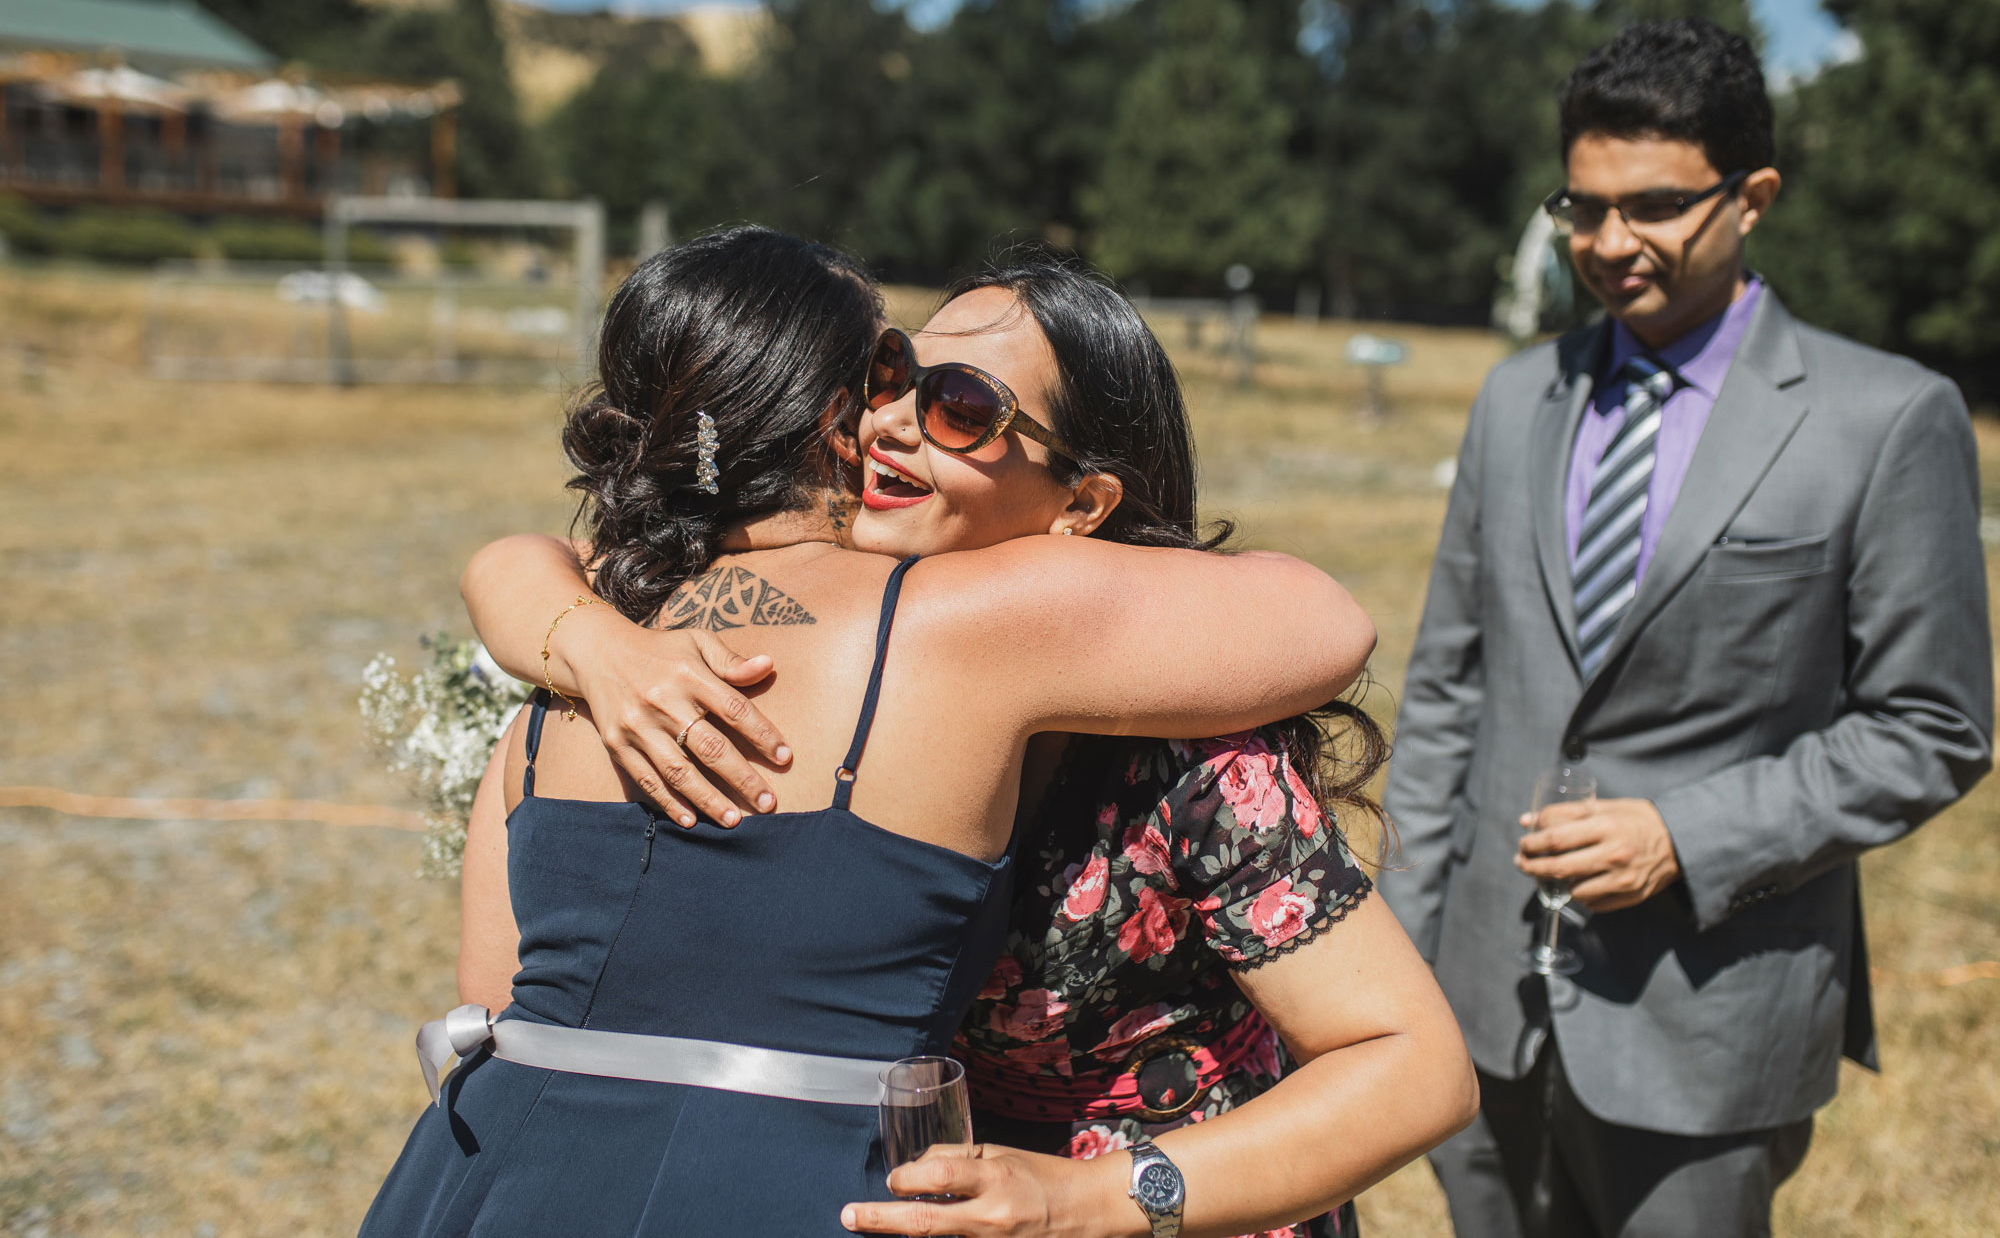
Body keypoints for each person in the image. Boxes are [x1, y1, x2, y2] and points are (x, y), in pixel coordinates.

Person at [366, 226, 1469, 1237]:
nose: (888, 422)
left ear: (1081, 510)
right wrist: (585, 640)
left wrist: (1102, 1193)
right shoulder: (644, 661)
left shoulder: (1188, 756)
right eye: (883, 378)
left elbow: (1407, 1061)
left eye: (955, 404)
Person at [1377, 18, 1993, 1237]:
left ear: (1751, 195)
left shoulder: (1885, 419)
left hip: (1706, 1023)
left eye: (1653, 205)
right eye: (1582, 207)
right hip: (1480, 1003)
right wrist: (1399, 954)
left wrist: (1684, 833)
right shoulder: (1514, 398)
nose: (1607, 245)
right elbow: (1450, 685)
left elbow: (1931, 726)